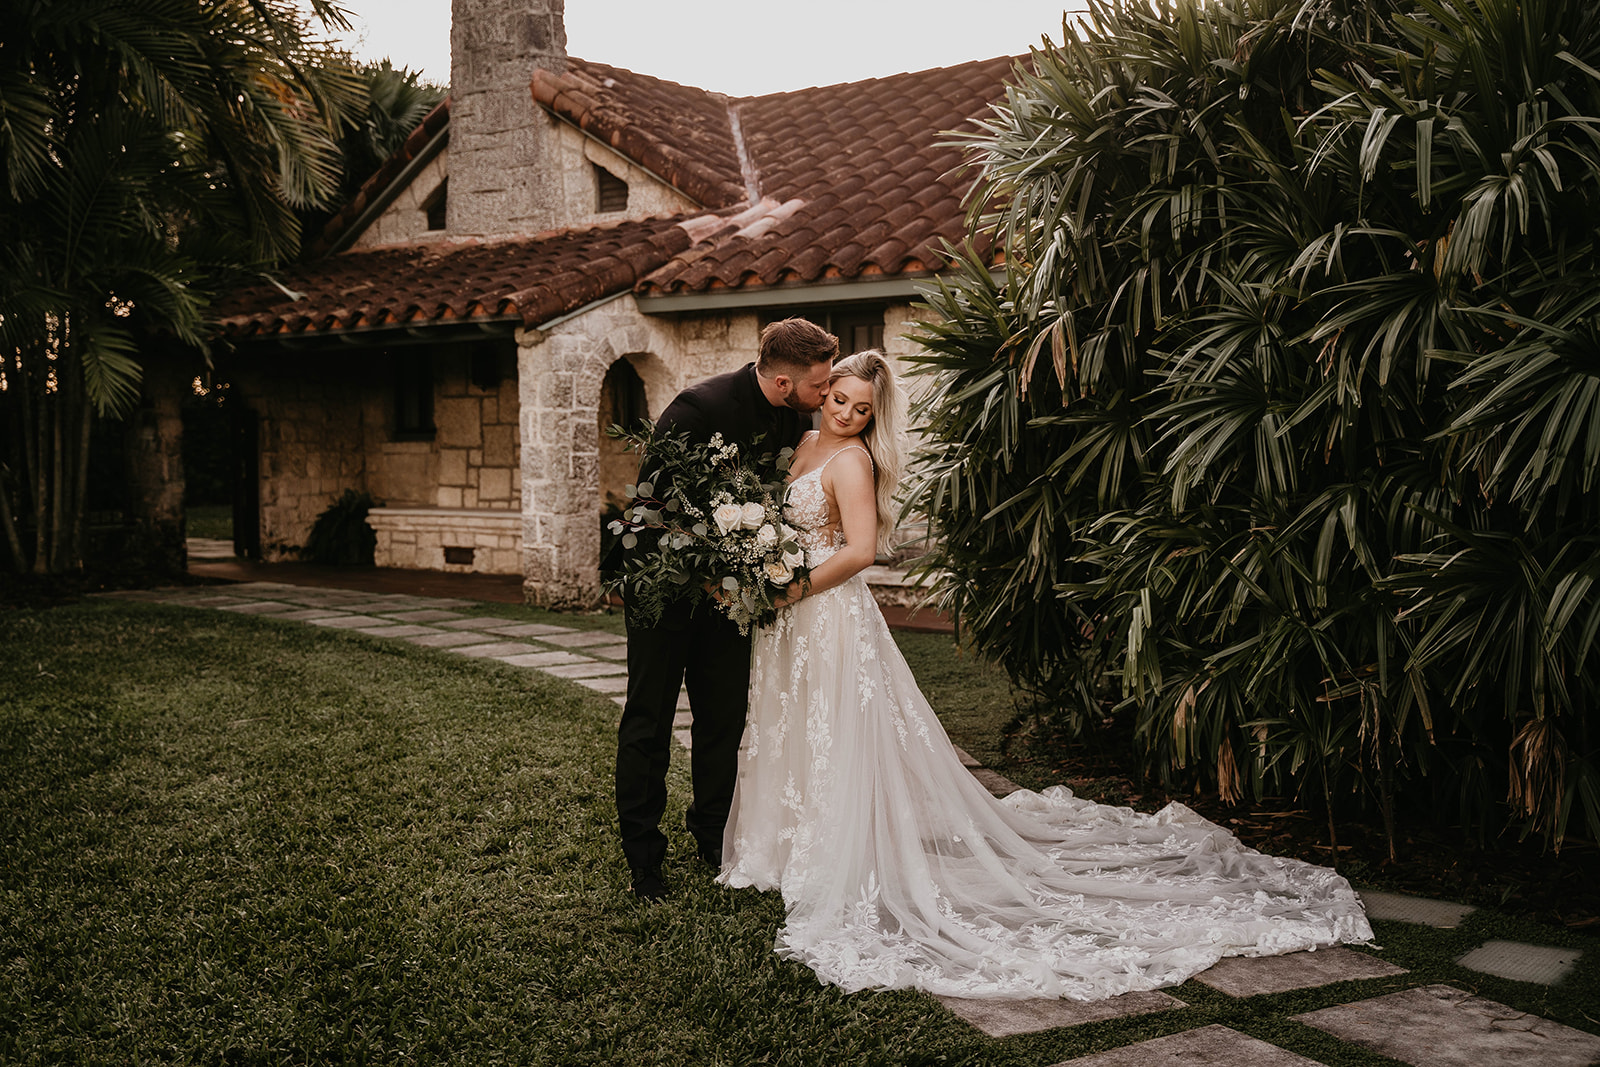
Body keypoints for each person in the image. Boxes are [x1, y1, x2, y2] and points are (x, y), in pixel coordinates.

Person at [717, 350, 1373, 1000]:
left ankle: (830, 859)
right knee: (790, 726)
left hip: (825, 612)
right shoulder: (800, 441)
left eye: (863, 410)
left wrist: (793, 586)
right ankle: (779, 847)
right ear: (823, 389)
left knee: (833, 733)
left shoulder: (854, 460)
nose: (847, 415)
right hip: (791, 617)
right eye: (840, 400)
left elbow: (860, 550)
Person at [617, 318, 838, 901]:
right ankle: (643, 861)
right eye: (820, 385)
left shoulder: (795, 419)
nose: (828, 393)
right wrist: (707, 568)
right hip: (663, 594)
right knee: (649, 721)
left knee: (722, 721)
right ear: (786, 382)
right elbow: (649, 511)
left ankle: (712, 836)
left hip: (732, 601)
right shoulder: (695, 409)